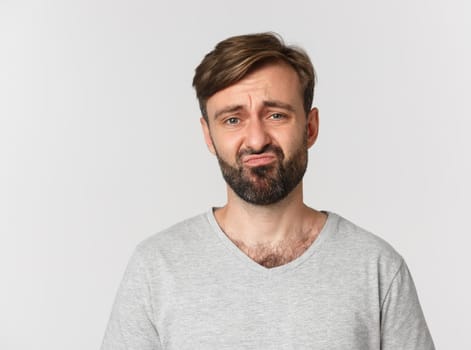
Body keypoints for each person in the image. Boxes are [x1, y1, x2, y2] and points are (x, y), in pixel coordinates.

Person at [101, 32, 435, 349]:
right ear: (208, 135)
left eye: (276, 115)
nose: (257, 139)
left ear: (311, 127)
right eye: (233, 119)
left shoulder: (376, 268)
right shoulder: (156, 268)